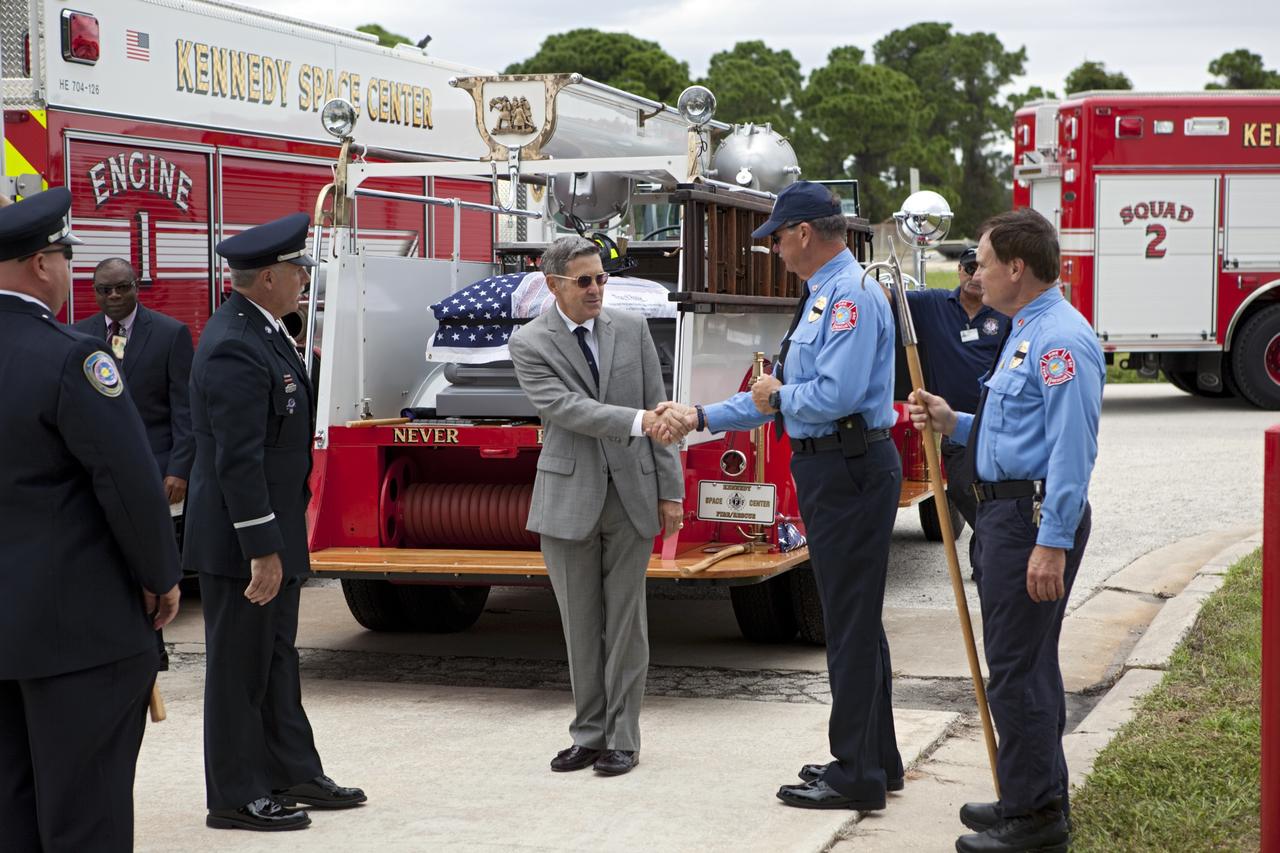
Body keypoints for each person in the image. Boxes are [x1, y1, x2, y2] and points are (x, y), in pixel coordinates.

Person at [657, 181, 903, 810]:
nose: (774, 252)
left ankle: (856, 775)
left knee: (847, 625)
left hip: (845, 466)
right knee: (856, 620)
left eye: (776, 240)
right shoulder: (827, 294)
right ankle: (876, 759)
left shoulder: (846, 297)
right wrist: (702, 414)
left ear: (801, 233)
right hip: (837, 466)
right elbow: (775, 393)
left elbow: (832, 395)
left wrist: (779, 399)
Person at [907, 208, 1104, 853]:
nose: (975, 273)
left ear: (1016, 267)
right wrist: (952, 420)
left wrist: (1053, 540)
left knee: (1017, 671)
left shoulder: (1059, 342)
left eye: (984, 262)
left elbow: (1071, 450)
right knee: (1023, 666)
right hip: (1005, 513)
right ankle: (1030, 795)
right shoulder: (1026, 330)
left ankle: (1037, 820)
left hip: (1032, 520)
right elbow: (1014, 429)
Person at [0, 187, 182, 852]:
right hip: (77, 633)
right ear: (43, 263)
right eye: (64, 256)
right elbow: (129, 484)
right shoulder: (72, 357)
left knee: (11, 815)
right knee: (88, 817)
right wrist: (160, 577)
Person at [185, 212, 365, 831]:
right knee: (239, 669)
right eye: (297, 270)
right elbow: (237, 459)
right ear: (268, 278)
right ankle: (235, 794)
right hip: (244, 540)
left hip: (272, 530)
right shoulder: (235, 342)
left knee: (276, 659)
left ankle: (291, 769)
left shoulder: (265, 329)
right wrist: (262, 545)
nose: (303, 280)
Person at [508, 235, 683, 777]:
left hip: (631, 496)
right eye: (584, 280)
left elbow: (662, 408)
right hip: (567, 499)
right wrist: (636, 421)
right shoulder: (530, 343)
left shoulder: (630, 330)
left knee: (627, 623)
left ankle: (623, 739)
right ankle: (589, 734)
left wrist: (670, 490)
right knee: (579, 626)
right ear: (554, 284)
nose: (596, 290)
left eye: (602, 278)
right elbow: (565, 408)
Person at [905, 246, 1009, 556]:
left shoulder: (1004, 313)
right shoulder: (933, 304)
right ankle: (990, 545)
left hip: (996, 424)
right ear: (959, 271)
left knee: (996, 493)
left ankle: (986, 553)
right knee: (964, 490)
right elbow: (889, 296)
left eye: (981, 268)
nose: (975, 274)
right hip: (954, 426)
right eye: (968, 267)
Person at [74, 258, 194, 506]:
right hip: (95, 473)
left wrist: (179, 470)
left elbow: (186, 411)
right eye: (105, 290)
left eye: (122, 287)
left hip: (155, 470)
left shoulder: (171, 334)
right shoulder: (77, 337)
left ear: (136, 287)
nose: (114, 295)